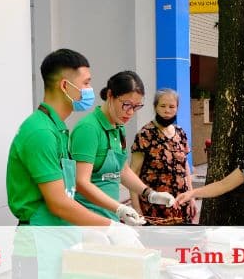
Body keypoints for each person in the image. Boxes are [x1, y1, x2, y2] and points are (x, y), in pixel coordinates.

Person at [6, 50, 140, 277]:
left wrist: (87, 231)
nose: (90, 90)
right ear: (65, 85)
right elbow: (58, 203)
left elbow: (66, 196)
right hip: (38, 248)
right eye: (86, 83)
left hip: (59, 239)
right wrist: (111, 227)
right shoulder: (41, 133)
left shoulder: (57, 129)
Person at [70, 71, 175, 225]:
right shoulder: (89, 129)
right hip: (88, 219)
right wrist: (119, 208)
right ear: (110, 95)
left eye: (136, 107)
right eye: (126, 105)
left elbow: (123, 170)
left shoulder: (119, 127)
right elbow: (81, 182)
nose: (130, 112)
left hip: (109, 217)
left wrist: (150, 194)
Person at [130, 88, 197, 223]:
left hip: (180, 204)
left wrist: (191, 197)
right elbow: (133, 173)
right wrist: (136, 207)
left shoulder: (180, 133)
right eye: (163, 106)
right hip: (153, 205)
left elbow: (185, 168)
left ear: (177, 108)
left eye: (172, 106)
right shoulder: (145, 134)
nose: (167, 110)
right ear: (155, 107)